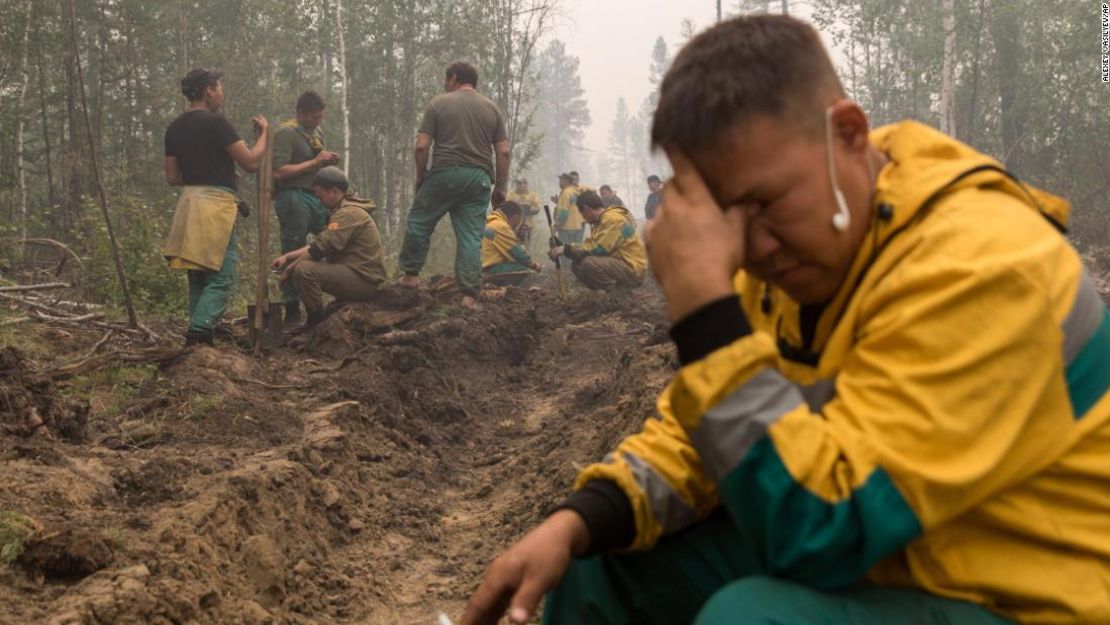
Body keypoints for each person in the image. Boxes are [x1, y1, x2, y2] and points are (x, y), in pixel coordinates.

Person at [461, 14, 1110, 625]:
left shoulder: (981, 265)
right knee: (597, 564)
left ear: (849, 135)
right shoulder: (814, 246)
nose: (755, 246)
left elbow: (825, 527)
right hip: (901, 546)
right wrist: (581, 516)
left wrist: (708, 313)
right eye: (729, 219)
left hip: (1020, 592)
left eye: (765, 202)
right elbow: (706, 433)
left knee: (752, 616)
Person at [163, 68, 269, 346]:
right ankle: (198, 333)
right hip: (214, 208)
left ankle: (201, 338)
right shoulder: (216, 124)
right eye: (219, 87)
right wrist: (265, 135)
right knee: (222, 277)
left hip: (188, 204)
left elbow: (173, 177)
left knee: (198, 274)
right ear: (208, 91)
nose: (222, 93)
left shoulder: (174, 127)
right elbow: (250, 163)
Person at [398, 61, 511, 310]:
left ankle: (411, 276)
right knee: (471, 236)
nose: (444, 84)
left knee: (420, 221)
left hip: (444, 174)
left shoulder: (438, 104)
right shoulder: (492, 109)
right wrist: (500, 188)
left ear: (455, 78)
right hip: (479, 179)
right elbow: (503, 152)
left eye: (446, 79)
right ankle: (469, 296)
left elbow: (421, 146)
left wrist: (420, 175)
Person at [271, 166, 385, 329]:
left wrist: (289, 270)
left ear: (333, 191)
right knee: (303, 266)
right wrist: (288, 257)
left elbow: (319, 249)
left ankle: (316, 323)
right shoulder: (344, 211)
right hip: (357, 274)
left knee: (304, 270)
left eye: (320, 196)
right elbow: (321, 242)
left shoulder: (348, 213)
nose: (319, 201)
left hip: (363, 280)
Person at [272, 91, 340, 326]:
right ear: (301, 113)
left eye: (321, 117)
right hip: (293, 196)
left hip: (317, 196)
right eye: (314, 117)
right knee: (292, 245)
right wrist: (315, 162)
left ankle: (335, 294)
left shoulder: (316, 133)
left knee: (333, 239)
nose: (318, 122)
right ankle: (291, 308)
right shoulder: (286, 133)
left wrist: (326, 163)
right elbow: (279, 172)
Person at [548, 190, 645, 291]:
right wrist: (565, 247)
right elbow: (589, 245)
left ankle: (615, 294)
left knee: (588, 262)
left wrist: (565, 249)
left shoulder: (611, 219)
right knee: (577, 265)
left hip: (633, 270)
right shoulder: (601, 221)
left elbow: (599, 249)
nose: (583, 218)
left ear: (586, 208)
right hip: (620, 263)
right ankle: (603, 292)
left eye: (582, 213)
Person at [481, 201, 542, 286]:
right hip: (491, 269)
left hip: (481, 267)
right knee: (523, 270)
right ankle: (504, 289)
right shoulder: (501, 226)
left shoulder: (492, 222)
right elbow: (517, 252)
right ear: (516, 217)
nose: (518, 224)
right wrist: (534, 265)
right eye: (519, 220)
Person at [506, 177, 541, 243]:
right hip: (514, 226)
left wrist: (528, 208)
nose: (522, 185)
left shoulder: (533, 195)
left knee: (527, 245)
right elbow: (506, 207)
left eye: (525, 183)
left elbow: (537, 208)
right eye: (520, 183)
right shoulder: (511, 195)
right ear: (516, 184)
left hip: (528, 226)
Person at [554, 173, 584, 244]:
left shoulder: (566, 192)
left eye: (560, 180)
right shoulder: (576, 191)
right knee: (576, 251)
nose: (559, 183)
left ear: (565, 181)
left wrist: (556, 226)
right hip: (578, 227)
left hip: (566, 228)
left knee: (565, 252)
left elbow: (564, 213)